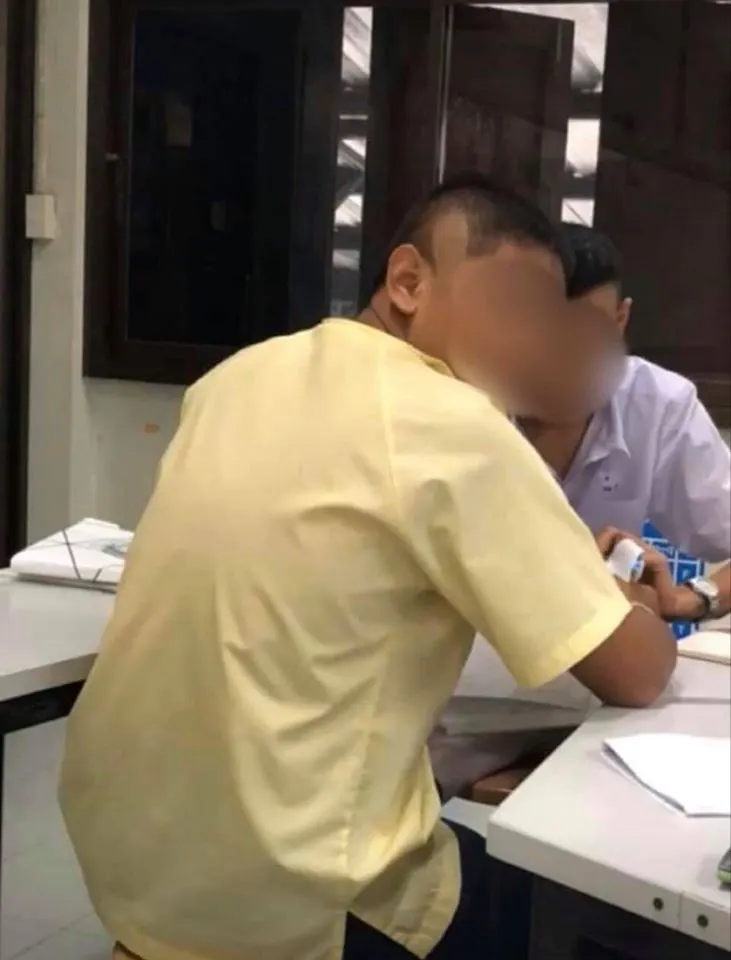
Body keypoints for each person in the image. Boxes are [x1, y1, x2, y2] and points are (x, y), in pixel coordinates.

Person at [60, 175, 677, 960]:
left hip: (127, 852)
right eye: (512, 307)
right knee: (592, 911)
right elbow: (636, 673)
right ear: (408, 281)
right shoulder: (454, 421)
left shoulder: (238, 375)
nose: (531, 346)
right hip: (297, 890)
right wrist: (650, 604)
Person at [433, 222, 730, 799]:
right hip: (453, 709)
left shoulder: (659, 406)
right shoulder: (458, 403)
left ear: (619, 321)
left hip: (602, 705)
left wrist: (692, 598)